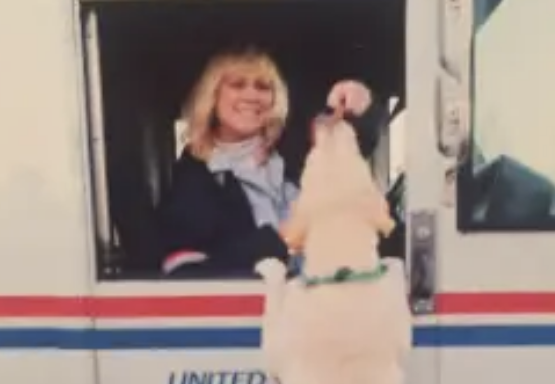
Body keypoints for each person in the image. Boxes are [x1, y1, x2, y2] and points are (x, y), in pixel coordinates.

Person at [157, 47, 392, 278]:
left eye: (263, 87)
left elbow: (356, 140)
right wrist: (278, 242)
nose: (251, 96)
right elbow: (183, 273)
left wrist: (360, 102)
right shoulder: (195, 175)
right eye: (238, 85)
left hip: (325, 298)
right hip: (255, 311)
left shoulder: (293, 152)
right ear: (213, 97)